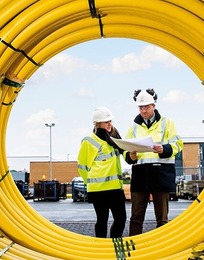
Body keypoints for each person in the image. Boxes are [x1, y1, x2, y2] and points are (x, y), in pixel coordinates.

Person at [124, 88, 183, 236]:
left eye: (147, 107)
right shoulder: (133, 127)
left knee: (162, 218)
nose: (143, 110)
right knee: (136, 217)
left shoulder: (167, 123)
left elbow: (178, 145)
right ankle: (135, 251)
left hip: (160, 174)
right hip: (140, 175)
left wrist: (164, 149)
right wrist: (130, 156)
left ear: (154, 106)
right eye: (141, 107)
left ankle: (162, 249)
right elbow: (125, 149)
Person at [77, 106, 127, 238]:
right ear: (97, 124)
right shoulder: (89, 141)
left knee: (121, 219)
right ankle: (102, 250)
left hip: (115, 188)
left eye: (110, 121)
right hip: (98, 190)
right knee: (102, 220)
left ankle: (113, 245)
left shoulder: (114, 138)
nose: (110, 124)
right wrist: (91, 182)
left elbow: (124, 152)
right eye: (106, 122)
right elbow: (82, 167)